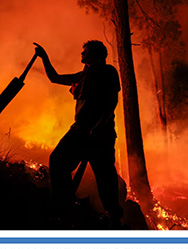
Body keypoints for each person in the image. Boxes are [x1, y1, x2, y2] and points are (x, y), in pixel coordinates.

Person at [33, 40, 124, 228]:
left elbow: (112, 101)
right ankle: (65, 207)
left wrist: (100, 125)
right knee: (57, 161)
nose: (81, 55)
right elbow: (55, 77)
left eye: (85, 52)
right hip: (80, 130)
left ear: (96, 54)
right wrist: (44, 57)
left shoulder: (108, 72)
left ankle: (115, 220)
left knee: (105, 178)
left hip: (101, 135)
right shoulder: (83, 75)